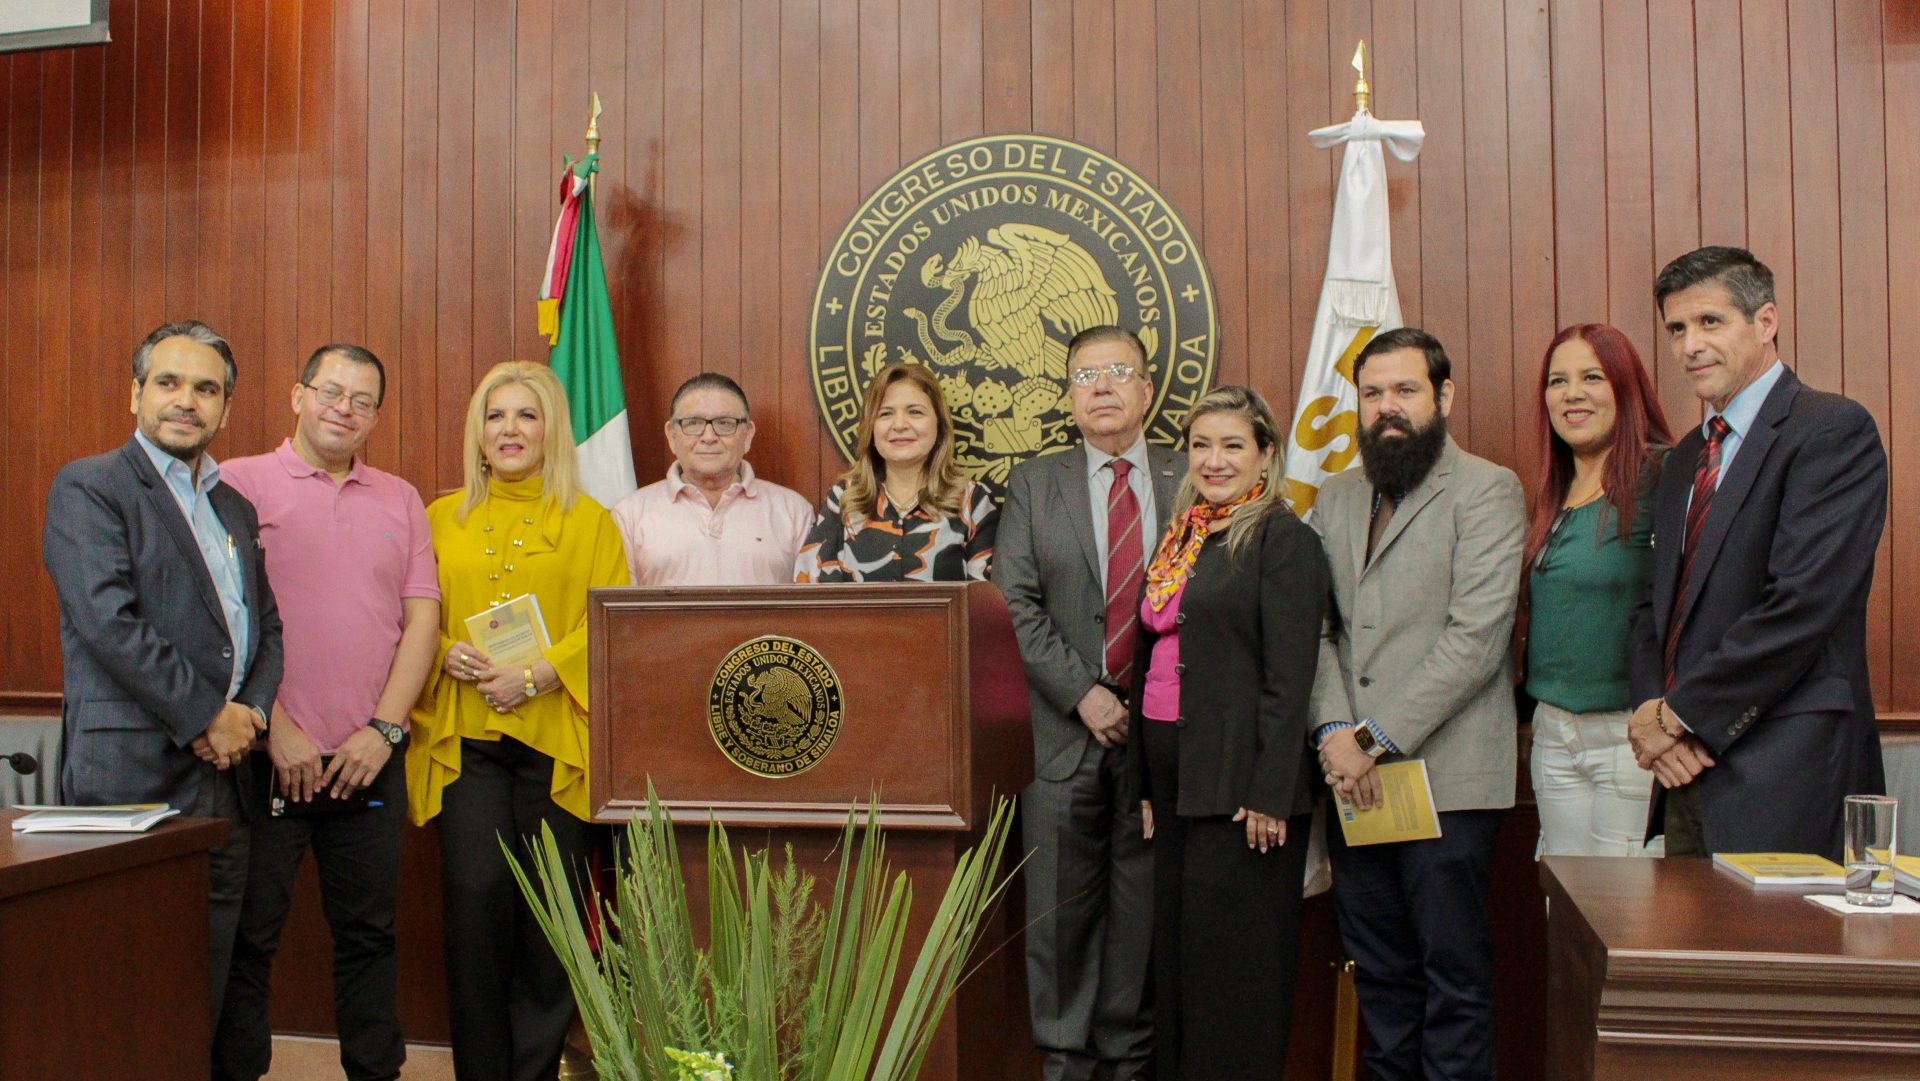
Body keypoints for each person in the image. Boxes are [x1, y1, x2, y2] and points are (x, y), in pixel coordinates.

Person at [42, 320, 283, 1036]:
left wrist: (253, 715)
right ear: (135, 395)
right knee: (128, 973)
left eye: (206, 388)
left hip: (230, 774)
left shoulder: (232, 505)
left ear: (226, 408)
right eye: (170, 383)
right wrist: (211, 713)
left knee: (219, 964)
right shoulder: (91, 486)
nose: (188, 400)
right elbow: (107, 621)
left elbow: (267, 628)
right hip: (131, 773)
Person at [214, 344, 441, 1081]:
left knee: (370, 935)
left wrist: (384, 729)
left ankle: (376, 1073)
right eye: (331, 391)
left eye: (363, 399)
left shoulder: (401, 498)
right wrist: (273, 724)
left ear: (376, 415)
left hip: (367, 758)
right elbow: (218, 621)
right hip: (266, 756)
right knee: (249, 938)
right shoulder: (235, 483)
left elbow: (422, 621)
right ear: (296, 394)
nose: (344, 408)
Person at [1311, 327, 1525, 1081]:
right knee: (1381, 974)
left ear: (1444, 396)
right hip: (1353, 782)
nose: (1386, 408)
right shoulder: (1335, 495)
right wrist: (1338, 732)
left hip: (1448, 779)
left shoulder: (1488, 488)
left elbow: (1476, 638)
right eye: (1372, 394)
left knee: (1454, 978)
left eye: (1404, 390)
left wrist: (1371, 736)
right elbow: (1320, 629)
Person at [1626, 246, 1888, 860]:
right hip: (1683, 771)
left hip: (1786, 771)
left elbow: (1801, 605)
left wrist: (1677, 717)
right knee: (1689, 957)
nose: (1690, 345)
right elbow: (1652, 605)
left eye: (1710, 322)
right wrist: (1650, 714)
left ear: (1764, 322)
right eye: (1677, 328)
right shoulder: (1687, 454)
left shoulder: (1830, 430)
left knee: (1771, 957)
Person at [409, 361, 631, 1081]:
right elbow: (409, 617)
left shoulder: (591, 520)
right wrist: (449, 654)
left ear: (551, 431)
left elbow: (610, 621)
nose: (510, 429)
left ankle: (534, 1072)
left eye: (526, 415)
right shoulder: (439, 517)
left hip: (558, 744)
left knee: (551, 926)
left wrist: (536, 673)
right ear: (478, 433)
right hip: (467, 744)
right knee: (475, 911)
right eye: (496, 415)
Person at [992, 326, 1180, 1081]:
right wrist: (1085, 695)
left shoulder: (1189, 473)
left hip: (1164, 737)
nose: (1101, 385)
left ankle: (1130, 1061)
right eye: (1084, 375)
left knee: (1143, 920)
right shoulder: (1036, 484)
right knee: (1059, 922)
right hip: (1064, 737)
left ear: (1145, 387)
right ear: (1069, 396)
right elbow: (1014, 604)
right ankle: (1066, 1064)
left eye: (1117, 371)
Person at [1128, 384, 1328, 1081]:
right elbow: (1151, 661)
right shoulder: (1184, 536)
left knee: (1235, 985)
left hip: (1244, 797)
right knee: (1181, 973)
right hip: (1178, 787)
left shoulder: (1284, 539)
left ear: (1267, 454)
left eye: (1233, 444)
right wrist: (1147, 785)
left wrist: (1271, 789)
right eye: (1201, 444)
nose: (1214, 460)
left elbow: (1290, 674)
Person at [1522, 324, 1673, 858]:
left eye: (1592, 377)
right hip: (1553, 729)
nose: (1572, 393)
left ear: (1626, 388)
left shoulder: (1665, 475)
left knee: (1624, 914)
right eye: (1558, 380)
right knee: (1563, 909)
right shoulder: (1553, 490)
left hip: (1628, 734)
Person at [794, 361, 998, 582]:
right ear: (870, 428)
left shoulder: (972, 502)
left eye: (915, 412)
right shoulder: (843, 501)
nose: (899, 424)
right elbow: (810, 595)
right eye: (885, 414)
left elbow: (986, 604)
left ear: (939, 425)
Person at [610, 372, 813, 585]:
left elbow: (810, 613)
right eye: (693, 423)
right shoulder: (630, 516)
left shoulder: (794, 513)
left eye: (725, 424)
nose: (708, 437)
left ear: (748, 435)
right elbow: (617, 613)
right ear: (671, 435)